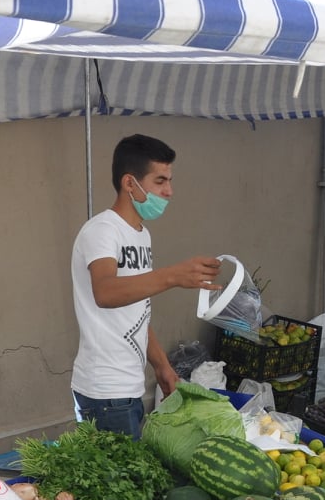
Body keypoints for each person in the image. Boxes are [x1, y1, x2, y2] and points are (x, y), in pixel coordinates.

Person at [69, 134, 221, 438]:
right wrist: (173, 276)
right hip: (105, 393)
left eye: (170, 181)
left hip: (129, 389)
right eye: (160, 181)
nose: (169, 191)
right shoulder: (102, 230)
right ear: (130, 183)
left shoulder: (141, 234)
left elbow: (136, 312)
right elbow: (105, 292)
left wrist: (162, 366)